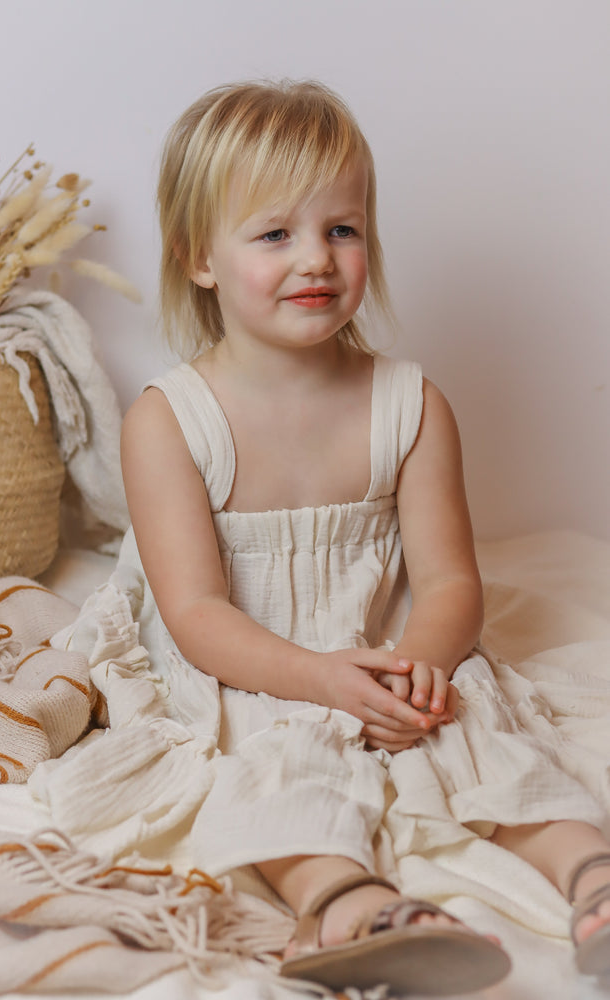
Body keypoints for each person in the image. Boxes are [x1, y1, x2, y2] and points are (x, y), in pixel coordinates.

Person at [120, 79, 610, 994]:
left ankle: (590, 875)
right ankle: (348, 900)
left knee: (481, 731)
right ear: (198, 259)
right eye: (275, 233)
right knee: (269, 759)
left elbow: (449, 580)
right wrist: (317, 679)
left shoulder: (410, 404)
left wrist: (419, 665)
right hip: (246, 660)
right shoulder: (168, 422)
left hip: (387, 647)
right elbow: (193, 613)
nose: (316, 257)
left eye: (341, 228)